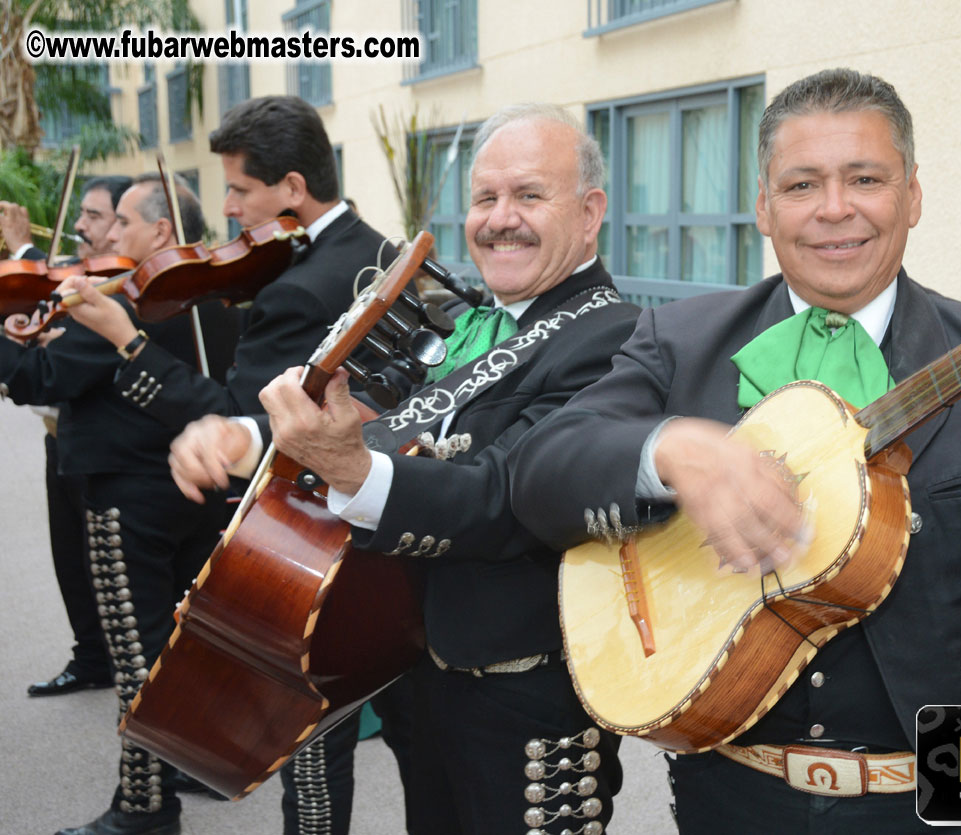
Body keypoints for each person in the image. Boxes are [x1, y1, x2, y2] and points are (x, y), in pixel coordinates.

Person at [508, 69, 961, 834]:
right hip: (732, 787)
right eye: (802, 183)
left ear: (911, 195)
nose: (834, 208)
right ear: (762, 207)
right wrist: (669, 447)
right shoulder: (677, 339)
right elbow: (538, 474)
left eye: (865, 179)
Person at [169, 103, 640, 835]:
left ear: (589, 213)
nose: (499, 218)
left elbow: (501, 498)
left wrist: (350, 467)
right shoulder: (478, 320)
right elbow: (386, 421)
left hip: (525, 705)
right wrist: (247, 434)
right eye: (484, 198)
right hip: (424, 682)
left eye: (527, 195)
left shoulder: (614, 339)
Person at [61, 96, 415, 835]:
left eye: (240, 190)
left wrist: (129, 340)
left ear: (291, 188)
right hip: (398, 517)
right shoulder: (379, 249)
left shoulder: (298, 287)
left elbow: (231, 413)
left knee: (312, 746)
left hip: (311, 536)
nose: (226, 211)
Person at [1, 173, 239, 835]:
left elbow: (35, 378)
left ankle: (144, 806)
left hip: (126, 493)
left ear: (161, 233)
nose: (107, 239)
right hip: (192, 489)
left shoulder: (122, 305)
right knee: (178, 647)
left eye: (121, 224)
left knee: (138, 658)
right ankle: (190, 762)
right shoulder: (213, 294)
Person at [12, 175, 135, 697]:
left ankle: (113, 660)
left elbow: (46, 374)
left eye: (96, 217)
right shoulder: (77, 277)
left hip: (102, 444)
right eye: (80, 215)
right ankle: (90, 657)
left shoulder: (115, 293)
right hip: (57, 435)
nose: (80, 227)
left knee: (104, 566)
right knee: (69, 555)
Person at [1, 174, 132, 261]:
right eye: (82, 214)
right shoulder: (75, 264)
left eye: (93, 216)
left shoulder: (125, 278)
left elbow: (56, 283)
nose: (78, 225)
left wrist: (22, 247)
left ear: (122, 224)